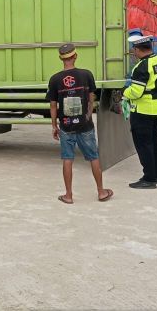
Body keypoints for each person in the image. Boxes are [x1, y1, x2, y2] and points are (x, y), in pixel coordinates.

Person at [47, 43, 113, 204]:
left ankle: (68, 195)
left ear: (60, 58)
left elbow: (53, 105)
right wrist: (88, 115)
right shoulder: (86, 75)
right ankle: (101, 191)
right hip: (85, 124)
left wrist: (54, 125)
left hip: (66, 125)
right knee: (93, 157)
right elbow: (91, 98)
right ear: (75, 56)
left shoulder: (55, 79)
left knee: (67, 158)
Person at [123, 35, 157, 189]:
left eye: (134, 50)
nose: (133, 53)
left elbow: (136, 92)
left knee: (144, 145)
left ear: (137, 49)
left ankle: (148, 179)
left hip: (144, 110)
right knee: (156, 142)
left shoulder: (142, 66)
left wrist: (124, 92)